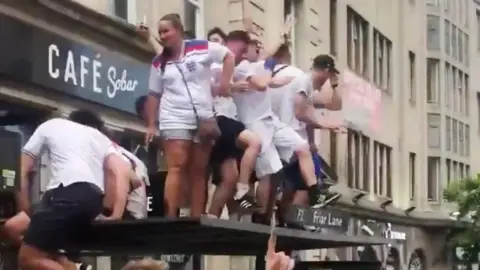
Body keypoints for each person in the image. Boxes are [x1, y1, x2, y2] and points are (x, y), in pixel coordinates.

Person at [231, 17, 326, 225]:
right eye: (256, 45)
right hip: (254, 123)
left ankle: (314, 191)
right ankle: (261, 213)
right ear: (246, 49)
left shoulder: (260, 65)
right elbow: (261, 83)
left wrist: (282, 36)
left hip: (271, 120)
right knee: (271, 171)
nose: (260, 47)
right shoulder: (242, 67)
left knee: (302, 147)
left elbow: (270, 62)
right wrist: (272, 81)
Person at [15, 109, 130, 270]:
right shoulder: (99, 137)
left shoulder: (51, 125)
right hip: (92, 201)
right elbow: (121, 173)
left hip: (65, 195)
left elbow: (22, 168)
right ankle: (74, 266)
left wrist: (24, 206)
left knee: (27, 258)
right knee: (15, 227)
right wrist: (116, 215)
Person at [145, 13, 235, 218]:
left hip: (203, 116)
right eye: (160, 32)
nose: (163, 35)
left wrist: (225, 83)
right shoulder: (159, 62)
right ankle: (171, 215)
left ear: (178, 30)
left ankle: (196, 216)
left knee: (199, 169)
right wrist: (151, 124)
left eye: (166, 31)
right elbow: (153, 94)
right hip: (174, 115)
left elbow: (228, 55)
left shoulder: (199, 47)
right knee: (177, 165)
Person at [269, 52, 345, 226]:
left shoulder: (309, 86)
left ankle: (287, 217)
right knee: (299, 181)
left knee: (297, 183)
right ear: (326, 71)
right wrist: (326, 125)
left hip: (298, 139)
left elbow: (335, 104)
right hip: (290, 137)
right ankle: (292, 213)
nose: (326, 81)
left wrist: (335, 84)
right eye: (329, 76)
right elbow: (300, 112)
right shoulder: (303, 81)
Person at [207, 30, 263, 217]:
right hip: (220, 118)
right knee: (254, 142)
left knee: (228, 178)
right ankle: (244, 188)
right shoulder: (216, 62)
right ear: (232, 45)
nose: (244, 56)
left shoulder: (233, 65)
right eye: (243, 50)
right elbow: (208, 87)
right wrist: (233, 86)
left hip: (228, 118)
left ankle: (212, 217)